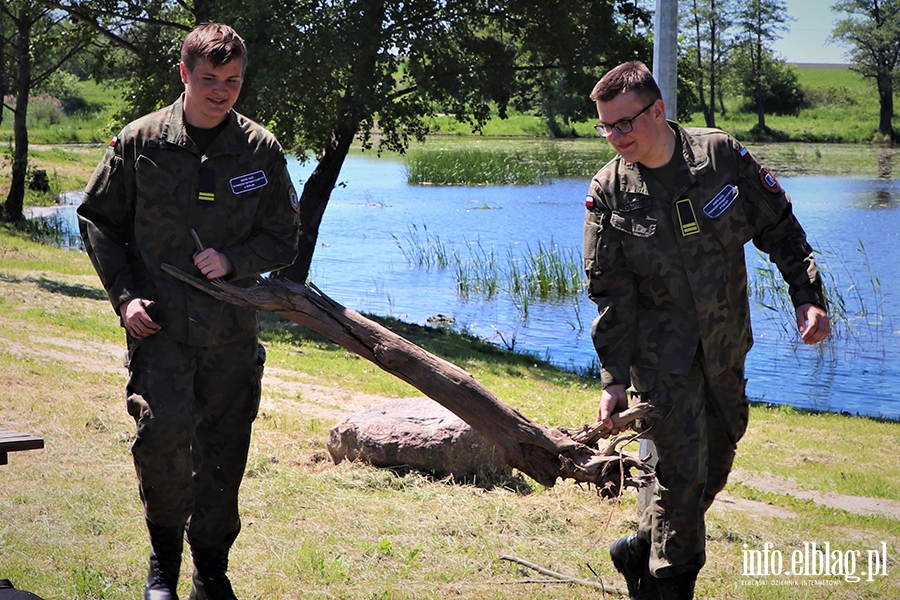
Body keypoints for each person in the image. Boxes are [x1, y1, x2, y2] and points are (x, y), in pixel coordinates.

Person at [582, 61, 830, 600]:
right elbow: (611, 294)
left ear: (658, 110)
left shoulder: (719, 158)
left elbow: (779, 225)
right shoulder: (610, 192)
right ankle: (669, 584)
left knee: (715, 459)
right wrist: (613, 380)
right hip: (661, 360)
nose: (616, 137)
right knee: (680, 474)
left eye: (625, 123)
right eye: (606, 126)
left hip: (724, 345)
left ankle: (638, 548)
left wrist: (807, 297)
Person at [77, 23, 300, 600]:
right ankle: (163, 568)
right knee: (162, 442)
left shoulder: (260, 150)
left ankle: (211, 572)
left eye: (232, 81)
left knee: (225, 452)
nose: (221, 92)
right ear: (184, 74)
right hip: (162, 330)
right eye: (209, 80)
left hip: (230, 333)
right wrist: (124, 298)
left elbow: (284, 238)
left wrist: (235, 258)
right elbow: (99, 221)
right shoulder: (140, 142)